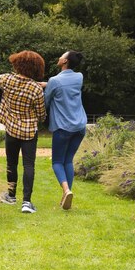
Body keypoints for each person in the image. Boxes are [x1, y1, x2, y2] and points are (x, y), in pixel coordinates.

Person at [0, 50, 46, 214]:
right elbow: (41, 115)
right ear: (36, 68)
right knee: (28, 165)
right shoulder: (36, 89)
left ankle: (11, 196)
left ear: (18, 64)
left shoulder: (7, 80)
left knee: (11, 163)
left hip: (11, 130)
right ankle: (26, 202)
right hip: (29, 133)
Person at [43, 50, 87, 210]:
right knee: (68, 160)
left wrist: (46, 87)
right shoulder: (79, 77)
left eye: (62, 55)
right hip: (80, 126)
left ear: (65, 61)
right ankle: (66, 195)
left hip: (63, 127)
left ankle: (66, 190)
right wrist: (48, 85)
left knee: (57, 162)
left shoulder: (54, 80)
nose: (59, 57)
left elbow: (46, 101)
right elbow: (64, 86)